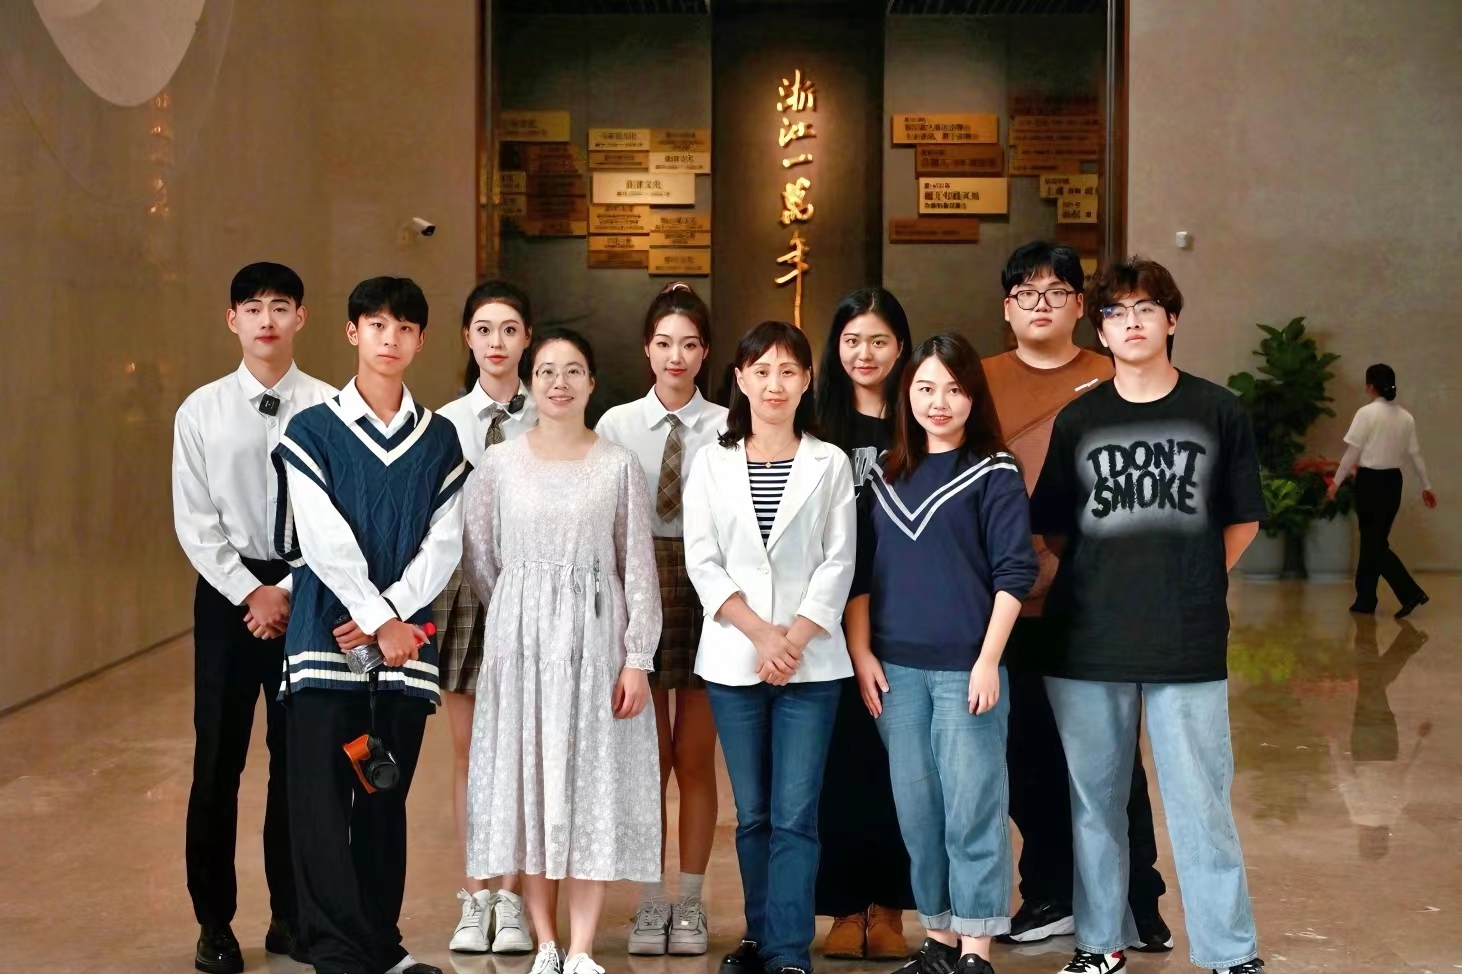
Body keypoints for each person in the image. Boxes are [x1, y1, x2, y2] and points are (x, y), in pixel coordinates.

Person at [1030, 257, 1267, 974]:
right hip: (1086, 639)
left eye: (1144, 309)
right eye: (1115, 313)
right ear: (1100, 330)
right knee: (1094, 803)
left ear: (1171, 320)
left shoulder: (1218, 410)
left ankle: (1229, 952)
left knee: (1201, 802)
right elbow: (1054, 527)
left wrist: (1191, 579)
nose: (1130, 323)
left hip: (1186, 639)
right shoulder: (1080, 418)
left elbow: (1242, 519)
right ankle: (1100, 943)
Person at [273, 276, 466, 974]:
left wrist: (391, 623)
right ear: (353, 332)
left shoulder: (439, 439)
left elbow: (446, 542)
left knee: (381, 793)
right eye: (377, 325)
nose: (391, 339)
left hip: (399, 653)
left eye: (405, 328)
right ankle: (336, 950)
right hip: (328, 645)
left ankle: (380, 947)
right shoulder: (312, 430)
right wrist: (378, 617)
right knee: (323, 802)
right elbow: (322, 540)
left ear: (421, 340)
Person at [981, 243, 1170, 950]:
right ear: (1006, 308)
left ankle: (1139, 901)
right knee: (1025, 754)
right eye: (1026, 294)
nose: (1041, 305)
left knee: (1114, 760)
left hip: (1097, 603)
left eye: (1056, 292)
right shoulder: (978, 381)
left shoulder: (1114, 375)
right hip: (1008, 602)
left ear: (1081, 306)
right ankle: (1051, 893)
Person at [462, 328, 663, 974]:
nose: (559, 382)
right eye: (546, 370)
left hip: (596, 648)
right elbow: (481, 558)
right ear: (530, 382)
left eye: (573, 370)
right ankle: (545, 942)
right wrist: (522, 609)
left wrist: (637, 657)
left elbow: (637, 566)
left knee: (588, 788)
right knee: (531, 784)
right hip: (521, 649)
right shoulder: (500, 463)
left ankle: (581, 948)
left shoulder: (618, 464)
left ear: (592, 383)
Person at [848, 332, 1038, 974]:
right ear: (907, 394)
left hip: (966, 669)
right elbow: (859, 574)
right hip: (894, 673)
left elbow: (1014, 573)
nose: (939, 402)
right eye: (926, 388)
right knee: (918, 810)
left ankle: (977, 946)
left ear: (973, 397)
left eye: (954, 389)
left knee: (973, 806)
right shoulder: (883, 474)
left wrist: (987, 661)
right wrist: (861, 653)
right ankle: (939, 938)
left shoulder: (995, 471)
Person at [172, 261, 334, 974]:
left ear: (302, 317)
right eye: (252, 307)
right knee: (218, 761)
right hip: (227, 596)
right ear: (232, 320)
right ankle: (214, 923)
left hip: (309, 589)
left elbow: (338, 515)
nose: (266, 319)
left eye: (280, 306)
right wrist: (250, 592)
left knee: (298, 763)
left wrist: (289, 588)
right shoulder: (200, 411)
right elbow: (194, 520)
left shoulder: (332, 406)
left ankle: (290, 916)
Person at [682, 320, 858, 974]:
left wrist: (793, 639)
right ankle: (758, 937)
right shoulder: (712, 461)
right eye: (761, 371)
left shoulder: (830, 462)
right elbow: (702, 562)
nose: (774, 384)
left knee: (795, 814)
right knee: (753, 813)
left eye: (788, 371)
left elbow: (839, 562)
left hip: (811, 664)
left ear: (807, 380)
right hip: (735, 658)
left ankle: (787, 950)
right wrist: (761, 634)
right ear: (740, 379)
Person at [596, 283, 727, 957]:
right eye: (665, 343)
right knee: (647, 759)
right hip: (637, 586)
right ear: (647, 349)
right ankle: (650, 900)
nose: (677, 356)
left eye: (690, 344)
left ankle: (692, 902)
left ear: (706, 353)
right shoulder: (615, 425)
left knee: (694, 757)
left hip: (709, 587)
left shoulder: (729, 424)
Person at [810, 288, 917, 961]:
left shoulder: (920, 417)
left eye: (878, 340)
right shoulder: (817, 422)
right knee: (838, 762)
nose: (865, 353)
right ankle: (846, 908)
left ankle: (892, 908)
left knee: (898, 764)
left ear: (901, 346)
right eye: (852, 340)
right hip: (826, 615)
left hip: (905, 612)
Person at [435, 280, 537, 955]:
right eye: (484, 329)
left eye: (509, 329)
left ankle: (515, 899)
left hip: (532, 591)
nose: (496, 342)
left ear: (527, 338)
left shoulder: (551, 413)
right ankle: (474, 897)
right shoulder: (442, 423)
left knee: (525, 753)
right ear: (467, 339)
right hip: (463, 595)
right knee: (471, 753)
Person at [1327, 364, 1436, 618]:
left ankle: (1409, 593)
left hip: (1370, 482)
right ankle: (1365, 599)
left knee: (1373, 544)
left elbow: (1351, 453)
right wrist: (1426, 486)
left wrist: (1335, 482)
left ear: (1371, 386)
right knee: (1373, 542)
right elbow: (1415, 455)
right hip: (1393, 483)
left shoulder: (1365, 414)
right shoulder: (1406, 417)